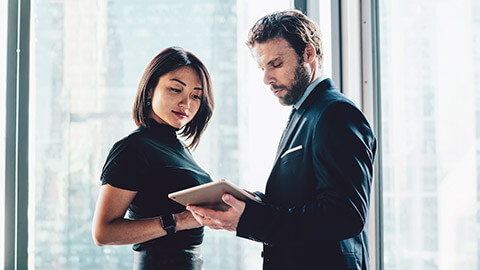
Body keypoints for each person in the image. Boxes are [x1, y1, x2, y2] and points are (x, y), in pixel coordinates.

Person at [187, 10, 376, 270]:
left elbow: (345, 215)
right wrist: (253, 203)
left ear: (308, 54)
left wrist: (249, 219)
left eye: (276, 64)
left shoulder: (335, 114)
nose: (266, 79)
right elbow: (304, 200)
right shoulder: (305, 114)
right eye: (262, 67)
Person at [92, 47, 214, 270]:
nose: (186, 104)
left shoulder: (180, 149)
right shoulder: (132, 148)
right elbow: (103, 233)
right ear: (150, 90)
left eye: (196, 95)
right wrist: (179, 221)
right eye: (176, 89)